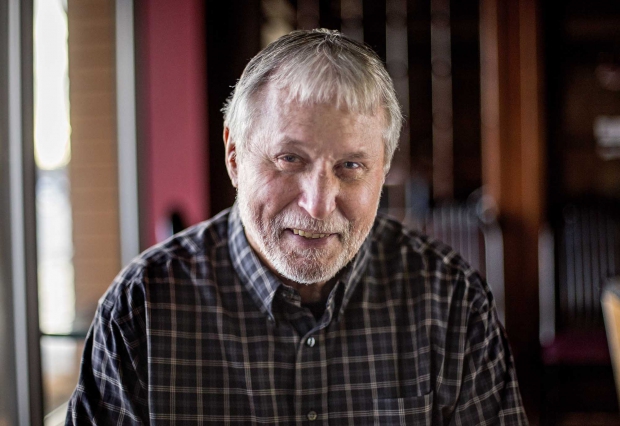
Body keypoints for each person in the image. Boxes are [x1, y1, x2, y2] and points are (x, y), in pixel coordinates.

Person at [66, 29, 528, 425]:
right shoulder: (142, 310)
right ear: (234, 155)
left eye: (350, 166)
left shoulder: (450, 302)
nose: (317, 204)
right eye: (290, 160)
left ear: (384, 170)